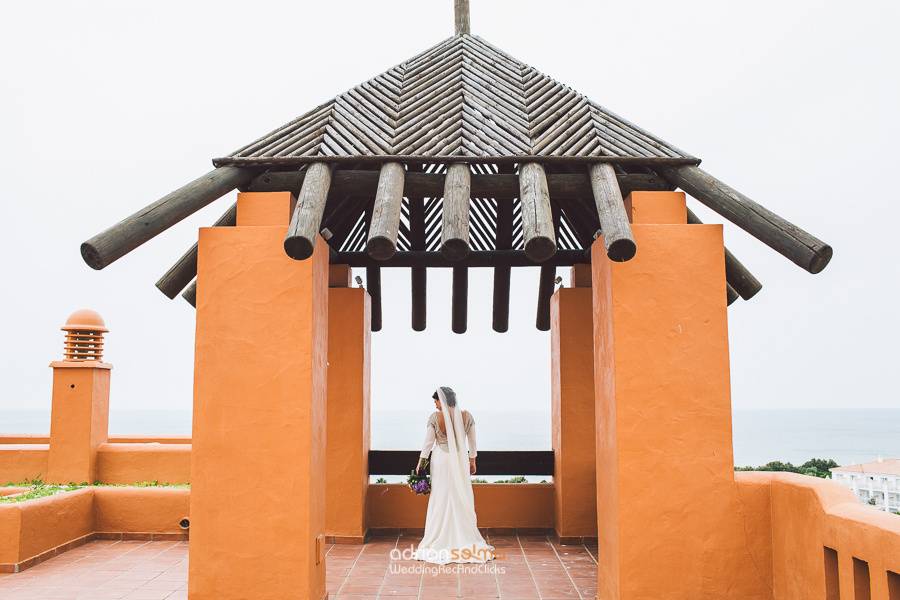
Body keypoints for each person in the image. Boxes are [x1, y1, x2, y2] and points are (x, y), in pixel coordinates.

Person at [413, 386, 494, 564]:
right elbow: (472, 442)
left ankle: (438, 536)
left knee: (440, 496)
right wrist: (472, 460)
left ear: (442, 400)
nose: (435, 405)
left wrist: (421, 464)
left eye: (435, 401)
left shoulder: (435, 418)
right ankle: (463, 537)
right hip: (459, 460)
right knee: (459, 494)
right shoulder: (467, 416)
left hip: (441, 460)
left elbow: (428, 443)